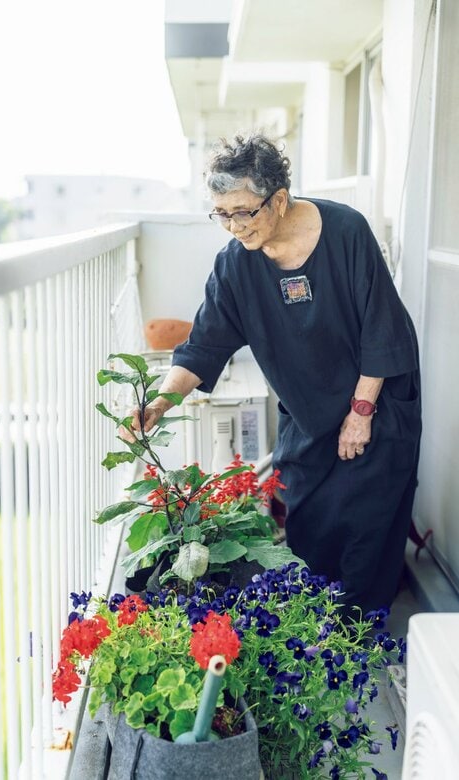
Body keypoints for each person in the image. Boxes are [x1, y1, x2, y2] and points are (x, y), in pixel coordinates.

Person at [130, 133, 422, 617]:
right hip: (307, 413)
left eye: (243, 211)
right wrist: (160, 402)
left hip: (376, 401)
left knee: (367, 529)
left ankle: (360, 640)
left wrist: (361, 412)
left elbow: (382, 327)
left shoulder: (346, 232)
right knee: (308, 527)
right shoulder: (235, 266)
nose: (233, 226)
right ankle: (315, 640)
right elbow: (203, 344)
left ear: (279, 200)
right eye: (221, 214)